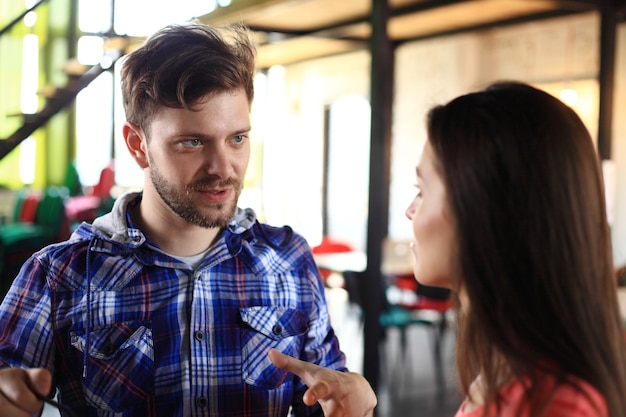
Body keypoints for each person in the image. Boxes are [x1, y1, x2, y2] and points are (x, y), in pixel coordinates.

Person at [0, 22, 376, 417]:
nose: (222, 167)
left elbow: (327, 395)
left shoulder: (290, 259)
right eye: (192, 142)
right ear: (137, 145)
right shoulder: (59, 274)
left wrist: (353, 407)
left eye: (237, 138)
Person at [405, 81, 626, 417]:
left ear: (481, 209)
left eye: (422, 190)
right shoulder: (506, 373)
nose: (410, 210)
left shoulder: (557, 406)